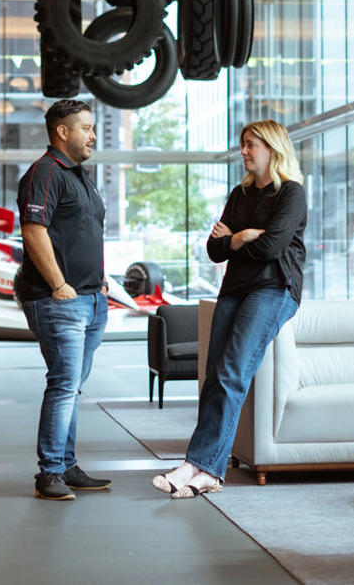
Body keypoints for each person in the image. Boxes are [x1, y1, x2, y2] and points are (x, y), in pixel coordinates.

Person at [152, 120, 308, 499]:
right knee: (213, 376)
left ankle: (203, 467)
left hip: (274, 288)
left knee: (231, 374)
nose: (244, 151)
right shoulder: (240, 194)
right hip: (236, 289)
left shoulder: (291, 193)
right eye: (243, 144)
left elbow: (272, 248)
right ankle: (199, 466)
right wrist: (242, 236)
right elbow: (214, 249)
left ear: (272, 148)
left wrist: (237, 240)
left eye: (251, 144)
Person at [15, 99, 113, 501]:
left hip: (90, 300)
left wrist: (101, 281)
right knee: (64, 385)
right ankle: (50, 473)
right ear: (62, 131)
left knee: (72, 388)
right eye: (86, 128)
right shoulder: (45, 172)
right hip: (59, 302)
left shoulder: (79, 176)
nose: (93, 135)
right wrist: (58, 284)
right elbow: (33, 229)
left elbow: (84, 233)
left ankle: (67, 466)